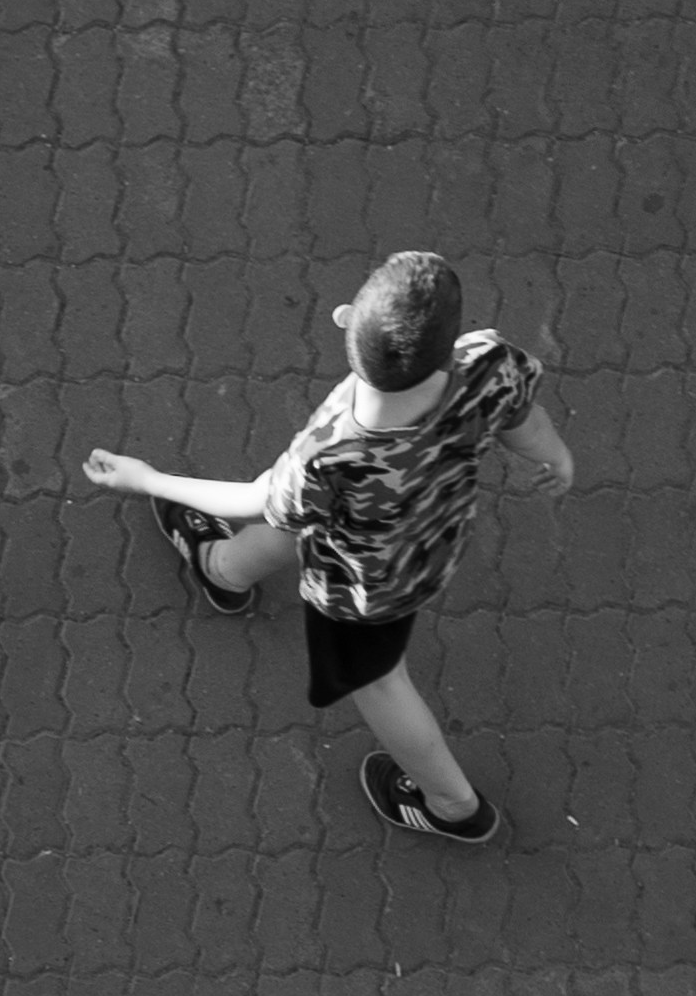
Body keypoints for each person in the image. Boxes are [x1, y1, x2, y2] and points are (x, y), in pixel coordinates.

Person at [77, 248, 578, 844]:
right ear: (448, 346)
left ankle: (452, 804)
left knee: (380, 681)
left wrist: (149, 479)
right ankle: (223, 571)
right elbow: (527, 422)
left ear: (346, 321)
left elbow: (263, 500)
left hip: (366, 585)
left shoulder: (332, 449)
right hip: (436, 534)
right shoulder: (490, 359)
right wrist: (556, 457)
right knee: (309, 527)